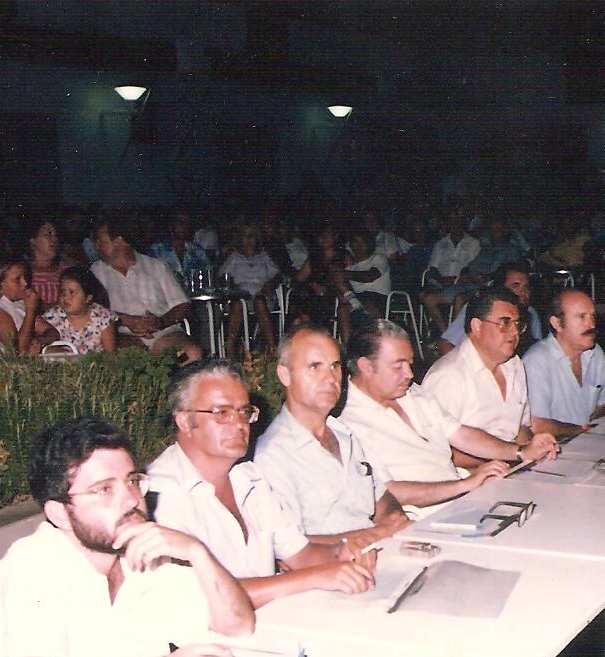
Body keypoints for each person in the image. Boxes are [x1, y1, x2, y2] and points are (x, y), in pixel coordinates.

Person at [0, 418, 255, 657]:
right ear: (58, 513)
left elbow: (238, 625)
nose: (130, 499)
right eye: (104, 489)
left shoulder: (138, 548)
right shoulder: (31, 569)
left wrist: (198, 553)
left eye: (132, 481)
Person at [146, 360, 379, 607]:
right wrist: (316, 577)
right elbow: (204, 596)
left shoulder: (248, 478)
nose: (239, 424)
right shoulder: (160, 493)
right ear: (184, 422)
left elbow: (299, 556)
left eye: (244, 412)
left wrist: (341, 553)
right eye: (222, 413)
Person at [340, 320, 551, 513]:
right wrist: (464, 485)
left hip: (462, 500)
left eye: (410, 363)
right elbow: (388, 492)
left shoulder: (412, 393)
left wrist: (520, 452)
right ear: (366, 366)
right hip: (421, 518)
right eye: (398, 365)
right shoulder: (347, 423)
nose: (410, 374)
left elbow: (462, 435)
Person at [254, 326, 412, 551]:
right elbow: (291, 547)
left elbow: (381, 495)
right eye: (314, 367)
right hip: (331, 570)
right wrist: (373, 534)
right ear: (284, 375)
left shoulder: (343, 434)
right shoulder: (272, 455)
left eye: (335, 367)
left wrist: (395, 518)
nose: (330, 379)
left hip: (381, 550)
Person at [421, 286, 559, 462]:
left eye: (518, 324)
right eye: (505, 323)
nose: (515, 331)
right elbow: (435, 453)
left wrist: (536, 446)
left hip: (510, 466)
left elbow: (519, 429)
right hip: (465, 478)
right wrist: (513, 454)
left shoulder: (514, 365)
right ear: (477, 326)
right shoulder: (448, 376)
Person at [90, 212, 200, 362]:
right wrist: (125, 320)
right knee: (131, 355)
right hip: (121, 333)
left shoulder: (156, 266)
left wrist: (161, 322)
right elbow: (91, 310)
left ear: (119, 240)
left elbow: (183, 305)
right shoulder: (95, 271)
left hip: (163, 333)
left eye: (100, 240)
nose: (96, 246)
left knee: (191, 353)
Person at [525, 288, 605, 437]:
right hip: (553, 449)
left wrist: (594, 429)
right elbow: (537, 425)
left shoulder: (595, 353)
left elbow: (603, 402)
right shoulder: (537, 361)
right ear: (557, 323)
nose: (591, 325)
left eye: (592, 316)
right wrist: (581, 430)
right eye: (581, 317)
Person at [435, 263, 542, 357]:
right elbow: (444, 345)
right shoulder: (479, 307)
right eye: (516, 286)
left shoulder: (531, 314)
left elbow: (536, 352)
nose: (523, 292)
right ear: (501, 288)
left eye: (526, 287)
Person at [217, 223, 283, 357]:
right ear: (239, 238)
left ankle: (272, 348)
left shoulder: (264, 256)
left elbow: (278, 275)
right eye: (245, 236)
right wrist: (231, 285)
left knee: (259, 301)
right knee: (238, 303)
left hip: (262, 296)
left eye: (251, 236)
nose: (248, 239)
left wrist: (271, 283)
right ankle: (229, 349)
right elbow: (221, 277)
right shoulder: (234, 257)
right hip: (240, 297)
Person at [420, 211, 481, 326]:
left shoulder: (473, 243)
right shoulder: (440, 243)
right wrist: (441, 279)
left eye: (458, 220)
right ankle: (443, 333)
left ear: (463, 222)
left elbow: (474, 267)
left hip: (462, 284)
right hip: (441, 283)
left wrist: (459, 278)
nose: (455, 223)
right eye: (452, 220)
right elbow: (432, 268)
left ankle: (448, 333)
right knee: (425, 296)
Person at [39, 266, 116, 354]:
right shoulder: (51, 316)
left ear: (88, 298)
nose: (65, 297)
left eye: (72, 292)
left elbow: (110, 353)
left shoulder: (102, 316)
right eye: (63, 292)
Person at [150, 208, 213, 290]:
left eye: (187, 223)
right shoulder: (157, 252)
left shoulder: (198, 252)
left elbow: (209, 278)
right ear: (171, 226)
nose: (185, 227)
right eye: (181, 223)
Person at [24, 217, 69, 308]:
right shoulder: (24, 273)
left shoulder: (65, 269)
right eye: (48, 234)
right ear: (33, 242)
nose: (54, 239)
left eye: (55, 235)